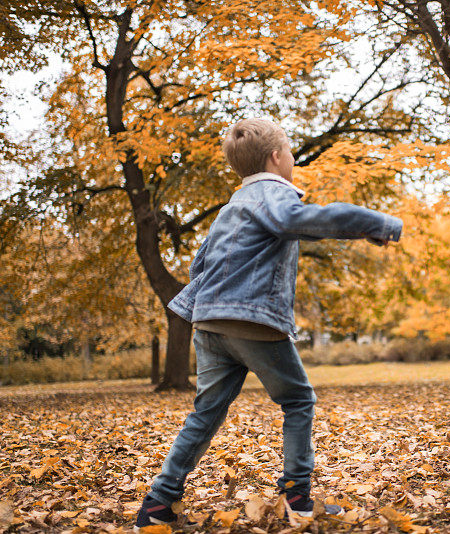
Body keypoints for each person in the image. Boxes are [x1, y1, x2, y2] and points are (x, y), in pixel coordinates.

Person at [135, 118, 403, 530]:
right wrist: (378, 225)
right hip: (252, 323)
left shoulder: (230, 208)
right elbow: (311, 220)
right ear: (277, 157)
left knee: (206, 412)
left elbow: (199, 265)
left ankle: (157, 503)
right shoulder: (272, 196)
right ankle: (298, 498)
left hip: (209, 323)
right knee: (298, 400)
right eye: (291, 151)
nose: (292, 159)